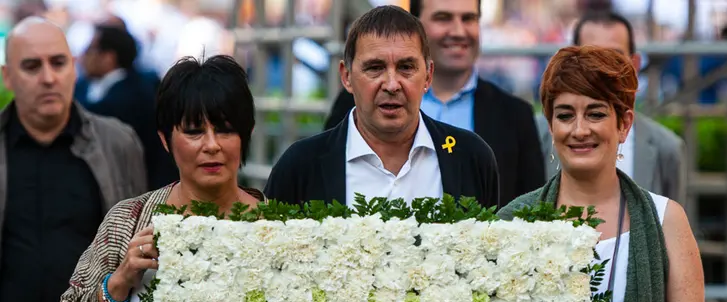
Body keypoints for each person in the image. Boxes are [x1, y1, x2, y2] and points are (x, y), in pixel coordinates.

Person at [498, 46, 706, 302]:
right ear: (550, 125)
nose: (579, 130)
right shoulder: (512, 222)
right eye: (565, 115)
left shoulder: (666, 219)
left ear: (624, 123)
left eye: (595, 113)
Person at [58, 55, 264, 302]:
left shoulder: (279, 229)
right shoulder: (128, 222)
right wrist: (119, 283)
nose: (212, 145)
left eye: (226, 129)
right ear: (165, 141)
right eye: (194, 131)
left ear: (246, 135)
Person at [0, 17, 147, 302]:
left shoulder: (117, 144)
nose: (48, 77)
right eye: (32, 66)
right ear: (8, 76)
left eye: (59, 62)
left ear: (74, 67)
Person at [265, 5, 499, 209]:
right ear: (346, 77)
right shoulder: (301, 166)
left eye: (406, 67)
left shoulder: (471, 158)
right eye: (375, 68)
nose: (391, 84)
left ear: (428, 75)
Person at [322, 0, 543, 206]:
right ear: (414, 22)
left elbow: (529, 209)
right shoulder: (356, 103)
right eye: (443, 18)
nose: (458, 32)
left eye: (468, 19)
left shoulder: (515, 115)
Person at [537, 11, 686, 203]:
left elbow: (673, 224)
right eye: (589, 56)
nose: (600, 69)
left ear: (635, 63)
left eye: (613, 57)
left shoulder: (666, 147)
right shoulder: (531, 134)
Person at [75, 24, 177, 190]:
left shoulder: (133, 97)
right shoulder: (85, 86)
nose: (83, 56)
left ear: (108, 57)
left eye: (90, 50)